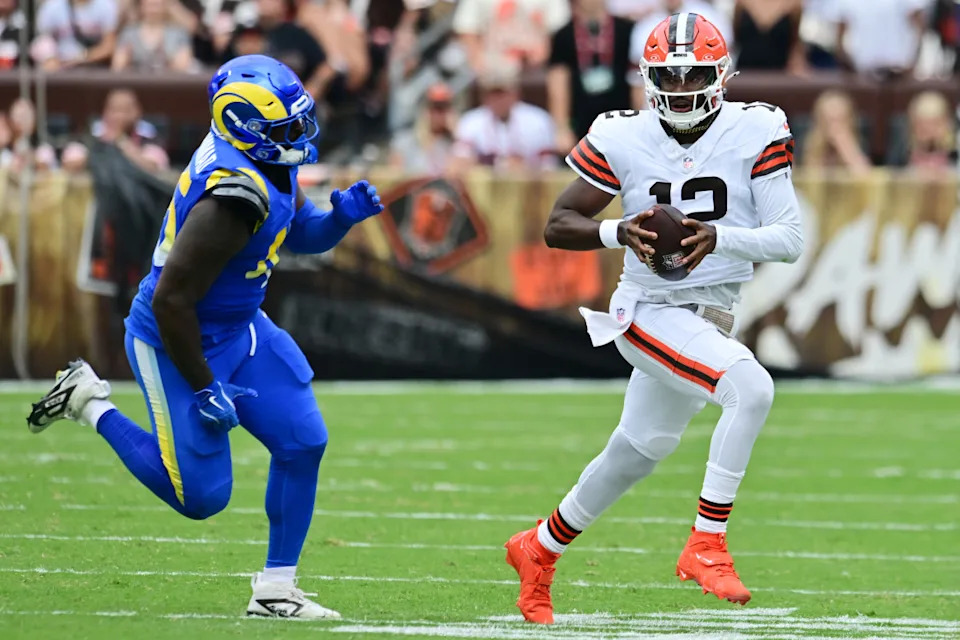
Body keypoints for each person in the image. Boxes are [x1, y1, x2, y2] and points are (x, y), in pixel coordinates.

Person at [26, 54, 384, 619]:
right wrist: (204, 386)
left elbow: (300, 232)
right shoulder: (232, 197)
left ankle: (275, 589)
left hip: (239, 327)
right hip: (176, 339)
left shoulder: (263, 159)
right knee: (202, 497)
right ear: (245, 125)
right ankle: (88, 401)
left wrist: (339, 219)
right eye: (284, 126)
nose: (298, 134)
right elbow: (171, 301)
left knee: (302, 440)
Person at [503, 13, 803, 624]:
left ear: (721, 75)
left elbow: (789, 238)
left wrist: (719, 238)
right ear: (647, 78)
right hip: (647, 309)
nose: (682, 86)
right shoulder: (623, 134)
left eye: (694, 74)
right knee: (750, 388)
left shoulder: (756, 127)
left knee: (640, 448)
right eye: (670, 75)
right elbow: (558, 224)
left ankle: (539, 547)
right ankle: (706, 543)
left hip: (712, 313)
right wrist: (619, 231)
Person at [547, 0, 641, 154]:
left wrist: (639, 122)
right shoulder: (563, 35)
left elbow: (638, 82)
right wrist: (561, 128)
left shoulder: (628, 30)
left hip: (622, 118)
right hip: (581, 121)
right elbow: (558, 83)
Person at [453, 62, 556, 171]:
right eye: (492, 93)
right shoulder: (471, 121)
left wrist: (522, 168)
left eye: (502, 93)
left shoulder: (538, 120)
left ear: (515, 93)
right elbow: (459, 163)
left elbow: (548, 168)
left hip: (527, 179)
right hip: (486, 180)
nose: (498, 99)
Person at [799, 90, 871, 172]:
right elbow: (807, 175)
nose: (835, 127)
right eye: (829, 121)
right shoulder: (806, 143)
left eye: (841, 120)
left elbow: (865, 175)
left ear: (850, 121)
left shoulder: (859, 143)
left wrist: (846, 147)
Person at [111, 0, 195, 72]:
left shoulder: (177, 33)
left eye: (157, 5)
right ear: (141, 6)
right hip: (136, 82)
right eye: (150, 5)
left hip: (169, 83)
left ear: (164, 7)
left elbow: (182, 67)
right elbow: (118, 66)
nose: (153, 10)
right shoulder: (129, 32)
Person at [732, 0, 807, 74]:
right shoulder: (741, 3)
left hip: (780, 75)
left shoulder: (794, 4)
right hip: (744, 74)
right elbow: (736, 39)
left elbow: (794, 43)